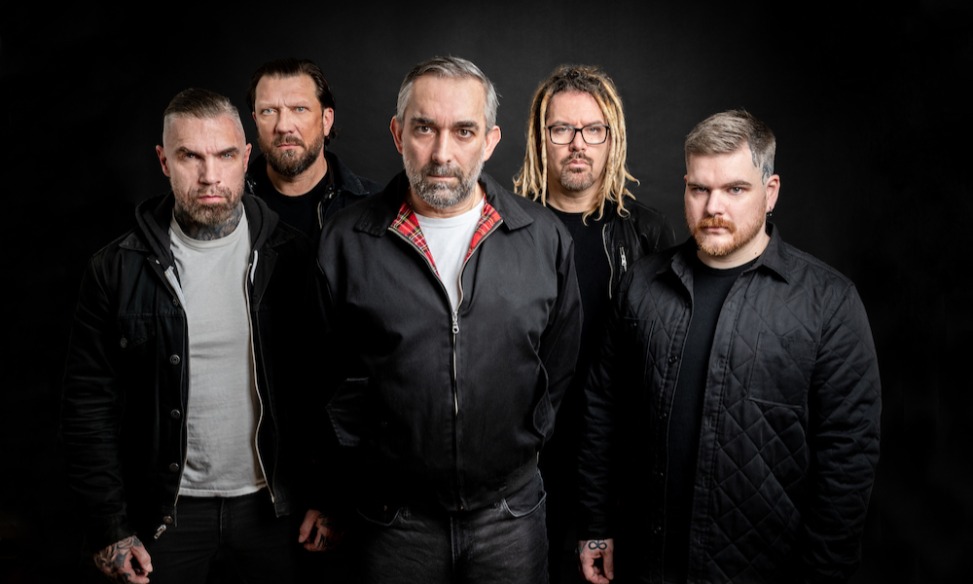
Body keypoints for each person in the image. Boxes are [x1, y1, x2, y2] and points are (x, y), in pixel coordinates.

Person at [576, 109, 881, 584]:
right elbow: (601, 410)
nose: (713, 206)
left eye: (735, 189)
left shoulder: (829, 302)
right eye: (700, 189)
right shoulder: (642, 284)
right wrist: (596, 526)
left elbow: (849, 456)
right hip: (646, 561)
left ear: (770, 191)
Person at [316, 55, 584, 584]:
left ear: (489, 141)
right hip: (393, 518)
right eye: (424, 129)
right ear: (398, 134)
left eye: (464, 131)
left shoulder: (543, 238)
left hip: (509, 514)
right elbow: (323, 371)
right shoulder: (346, 241)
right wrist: (363, 467)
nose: (442, 153)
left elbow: (558, 365)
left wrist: (523, 439)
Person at [59, 88, 329, 584]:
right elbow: (87, 408)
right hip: (164, 517)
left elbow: (325, 387)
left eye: (224, 156)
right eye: (190, 157)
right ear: (164, 161)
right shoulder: (116, 268)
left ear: (245, 158)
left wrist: (327, 497)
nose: (210, 176)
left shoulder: (295, 257)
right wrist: (109, 528)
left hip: (275, 511)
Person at [513, 63, 676, 584]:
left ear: (613, 138)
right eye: (561, 129)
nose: (577, 143)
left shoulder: (647, 233)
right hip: (527, 455)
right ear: (540, 138)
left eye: (593, 129)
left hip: (616, 459)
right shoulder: (508, 228)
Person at [245, 57, 381, 240]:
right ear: (256, 121)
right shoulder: (231, 205)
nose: (283, 126)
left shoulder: (376, 207)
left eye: (299, 109)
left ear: (326, 120)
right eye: (268, 111)